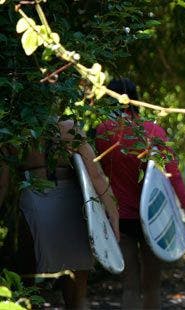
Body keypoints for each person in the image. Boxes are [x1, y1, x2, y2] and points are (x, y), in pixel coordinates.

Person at [95, 78, 185, 309]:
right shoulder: (153, 131)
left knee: (129, 285)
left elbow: (99, 174)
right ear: (136, 100)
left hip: (122, 218)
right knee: (152, 286)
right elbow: (173, 176)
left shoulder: (103, 132)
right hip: (154, 217)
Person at [0, 119, 119, 309]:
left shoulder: (14, 128)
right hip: (73, 207)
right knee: (77, 296)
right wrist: (113, 215)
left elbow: (2, 185)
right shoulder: (68, 127)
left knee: (31, 292)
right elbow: (96, 175)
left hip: (34, 202)